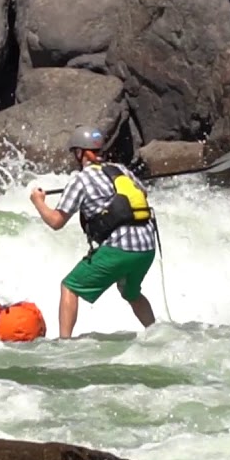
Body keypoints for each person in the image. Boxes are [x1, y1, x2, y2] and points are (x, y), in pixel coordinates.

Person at [30, 126, 158, 339]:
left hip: (121, 248)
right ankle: (156, 333)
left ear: (80, 153)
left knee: (69, 286)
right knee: (130, 292)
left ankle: (64, 344)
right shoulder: (121, 170)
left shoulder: (80, 180)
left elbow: (56, 221)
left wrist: (38, 202)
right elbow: (141, 193)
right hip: (146, 247)